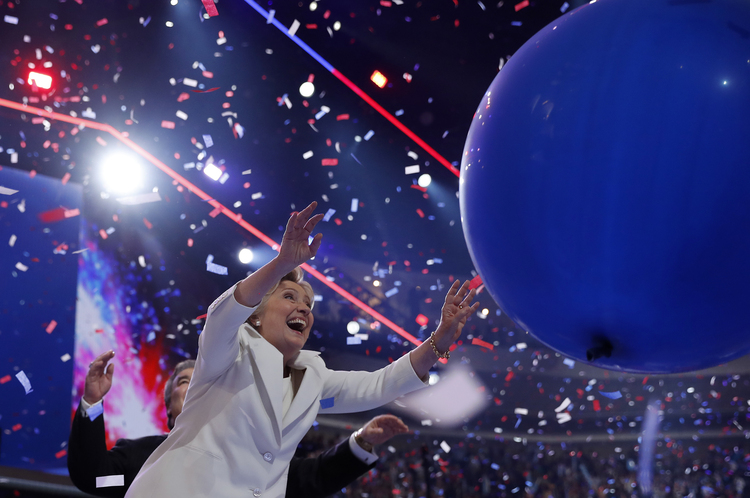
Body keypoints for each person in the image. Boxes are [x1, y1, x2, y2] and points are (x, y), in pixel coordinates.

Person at [125, 201, 480, 498]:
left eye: (309, 303)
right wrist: (282, 264)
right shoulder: (229, 349)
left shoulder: (314, 376)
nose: (304, 308)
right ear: (256, 317)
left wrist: (439, 342)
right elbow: (225, 314)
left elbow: (381, 384)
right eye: (290, 297)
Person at [68, 350, 410, 498]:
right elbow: (96, 477)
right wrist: (93, 404)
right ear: (169, 406)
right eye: (186, 382)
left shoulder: (255, 462)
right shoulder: (140, 460)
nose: (196, 387)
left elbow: (313, 479)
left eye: (203, 381)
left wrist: (362, 442)